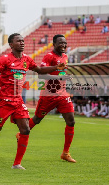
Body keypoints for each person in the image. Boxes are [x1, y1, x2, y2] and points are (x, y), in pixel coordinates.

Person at [0, 33, 66, 170]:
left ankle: (17, 164)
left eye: (23, 41)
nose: (22, 43)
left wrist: (57, 68)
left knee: (26, 129)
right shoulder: (5, 59)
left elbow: (39, 70)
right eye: (18, 41)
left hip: (18, 100)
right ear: (11, 44)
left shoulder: (27, 59)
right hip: (4, 101)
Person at [15, 34, 76, 163]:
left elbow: (61, 73)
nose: (64, 45)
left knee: (71, 121)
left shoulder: (65, 57)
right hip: (49, 95)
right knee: (37, 119)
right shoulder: (49, 56)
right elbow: (42, 75)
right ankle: (20, 134)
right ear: (53, 44)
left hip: (62, 94)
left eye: (65, 43)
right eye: (60, 43)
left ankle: (65, 153)